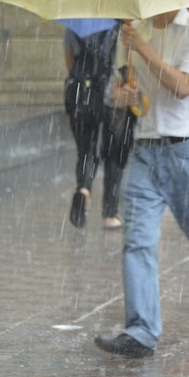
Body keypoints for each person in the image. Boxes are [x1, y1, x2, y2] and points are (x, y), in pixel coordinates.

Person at [93, 10, 189, 358]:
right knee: (137, 241)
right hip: (144, 152)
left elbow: (182, 87)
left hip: (188, 154)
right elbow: (123, 89)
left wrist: (143, 47)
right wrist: (126, 97)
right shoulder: (131, 34)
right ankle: (141, 332)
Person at [63, 22, 132, 230]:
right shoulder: (122, 26)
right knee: (114, 154)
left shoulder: (77, 22)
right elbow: (126, 65)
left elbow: (70, 60)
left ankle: (84, 189)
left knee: (86, 151)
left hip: (80, 96)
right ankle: (109, 214)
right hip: (112, 96)